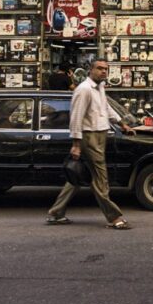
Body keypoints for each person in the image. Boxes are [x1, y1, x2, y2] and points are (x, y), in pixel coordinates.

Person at [46, 58, 134, 229]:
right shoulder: (84, 90)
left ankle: (56, 213)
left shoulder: (99, 87)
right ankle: (113, 217)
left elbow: (106, 107)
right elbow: (76, 117)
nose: (103, 72)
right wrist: (76, 144)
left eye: (106, 69)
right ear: (90, 70)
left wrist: (121, 123)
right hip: (89, 137)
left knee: (77, 175)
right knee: (100, 177)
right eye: (100, 68)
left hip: (100, 134)